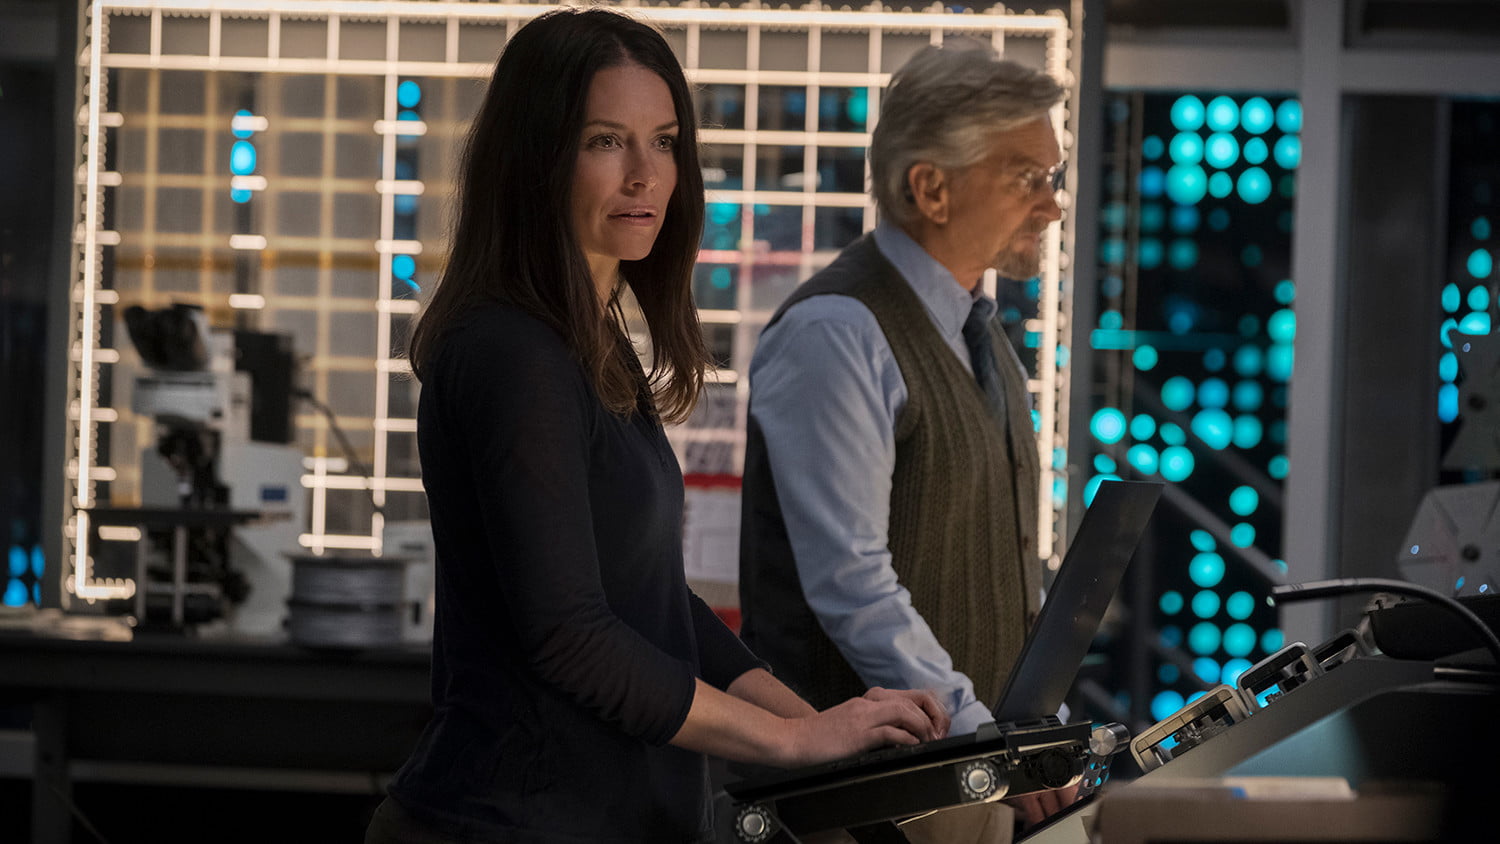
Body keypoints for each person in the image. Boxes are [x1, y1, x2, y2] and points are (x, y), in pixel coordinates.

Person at [364, 9, 947, 844]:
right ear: (536, 159)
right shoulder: (511, 351)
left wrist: (820, 730)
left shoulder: (590, 342)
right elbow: (572, 638)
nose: (645, 175)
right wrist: (791, 741)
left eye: (665, 142)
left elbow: (652, 602)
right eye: (606, 141)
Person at [738, 44, 1073, 840]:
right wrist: (983, 738)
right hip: (865, 802)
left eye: (1052, 177)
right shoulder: (836, 332)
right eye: (1027, 177)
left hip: (965, 777)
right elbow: (853, 585)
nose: (1052, 206)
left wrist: (1028, 731)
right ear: (931, 188)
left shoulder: (979, 334)